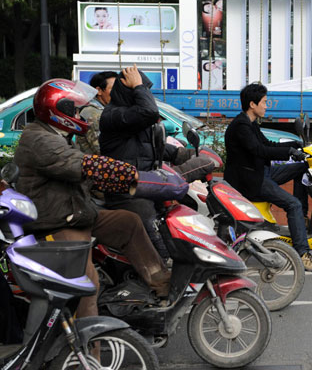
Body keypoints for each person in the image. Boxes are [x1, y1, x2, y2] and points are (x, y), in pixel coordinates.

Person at [13, 79, 171, 319]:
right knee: (87, 284)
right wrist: (130, 174)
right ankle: (88, 346)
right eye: (74, 110)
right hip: (56, 221)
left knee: (128, 222)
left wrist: (137, 182)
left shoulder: (59, 134)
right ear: (58, 110)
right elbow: (82, 165)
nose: (79, 114)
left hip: (76, 211)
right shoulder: (39, 139)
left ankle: (161, 287)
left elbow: (88, 176)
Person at [99, 65, 209, 259]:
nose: (145, 93)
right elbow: (150, 112)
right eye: (141, 89)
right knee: (156, 239)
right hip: (128, 192)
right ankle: (160, 279)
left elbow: (149, 146)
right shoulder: (114, 114)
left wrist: (184, 154)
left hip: (148, 185)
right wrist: (138, 86)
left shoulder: (131, 116)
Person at [224, 82, 312, 272]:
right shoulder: (241, 126)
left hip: (261, 172)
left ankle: (301, 218)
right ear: (252, 104)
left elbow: (267, 143)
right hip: (250, 181)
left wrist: (294, 146)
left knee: (302, 167)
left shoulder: (250, 123)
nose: (266, 105)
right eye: (264, 102)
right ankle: (302, 255)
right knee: (292, 204)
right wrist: (288, 152)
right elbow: (260, 150)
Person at [76, 71, 118, 155]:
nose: (118, 93)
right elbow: (102, 149)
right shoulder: (93, 113)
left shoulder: (102, 111)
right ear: (98, 90)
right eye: (114, 89)